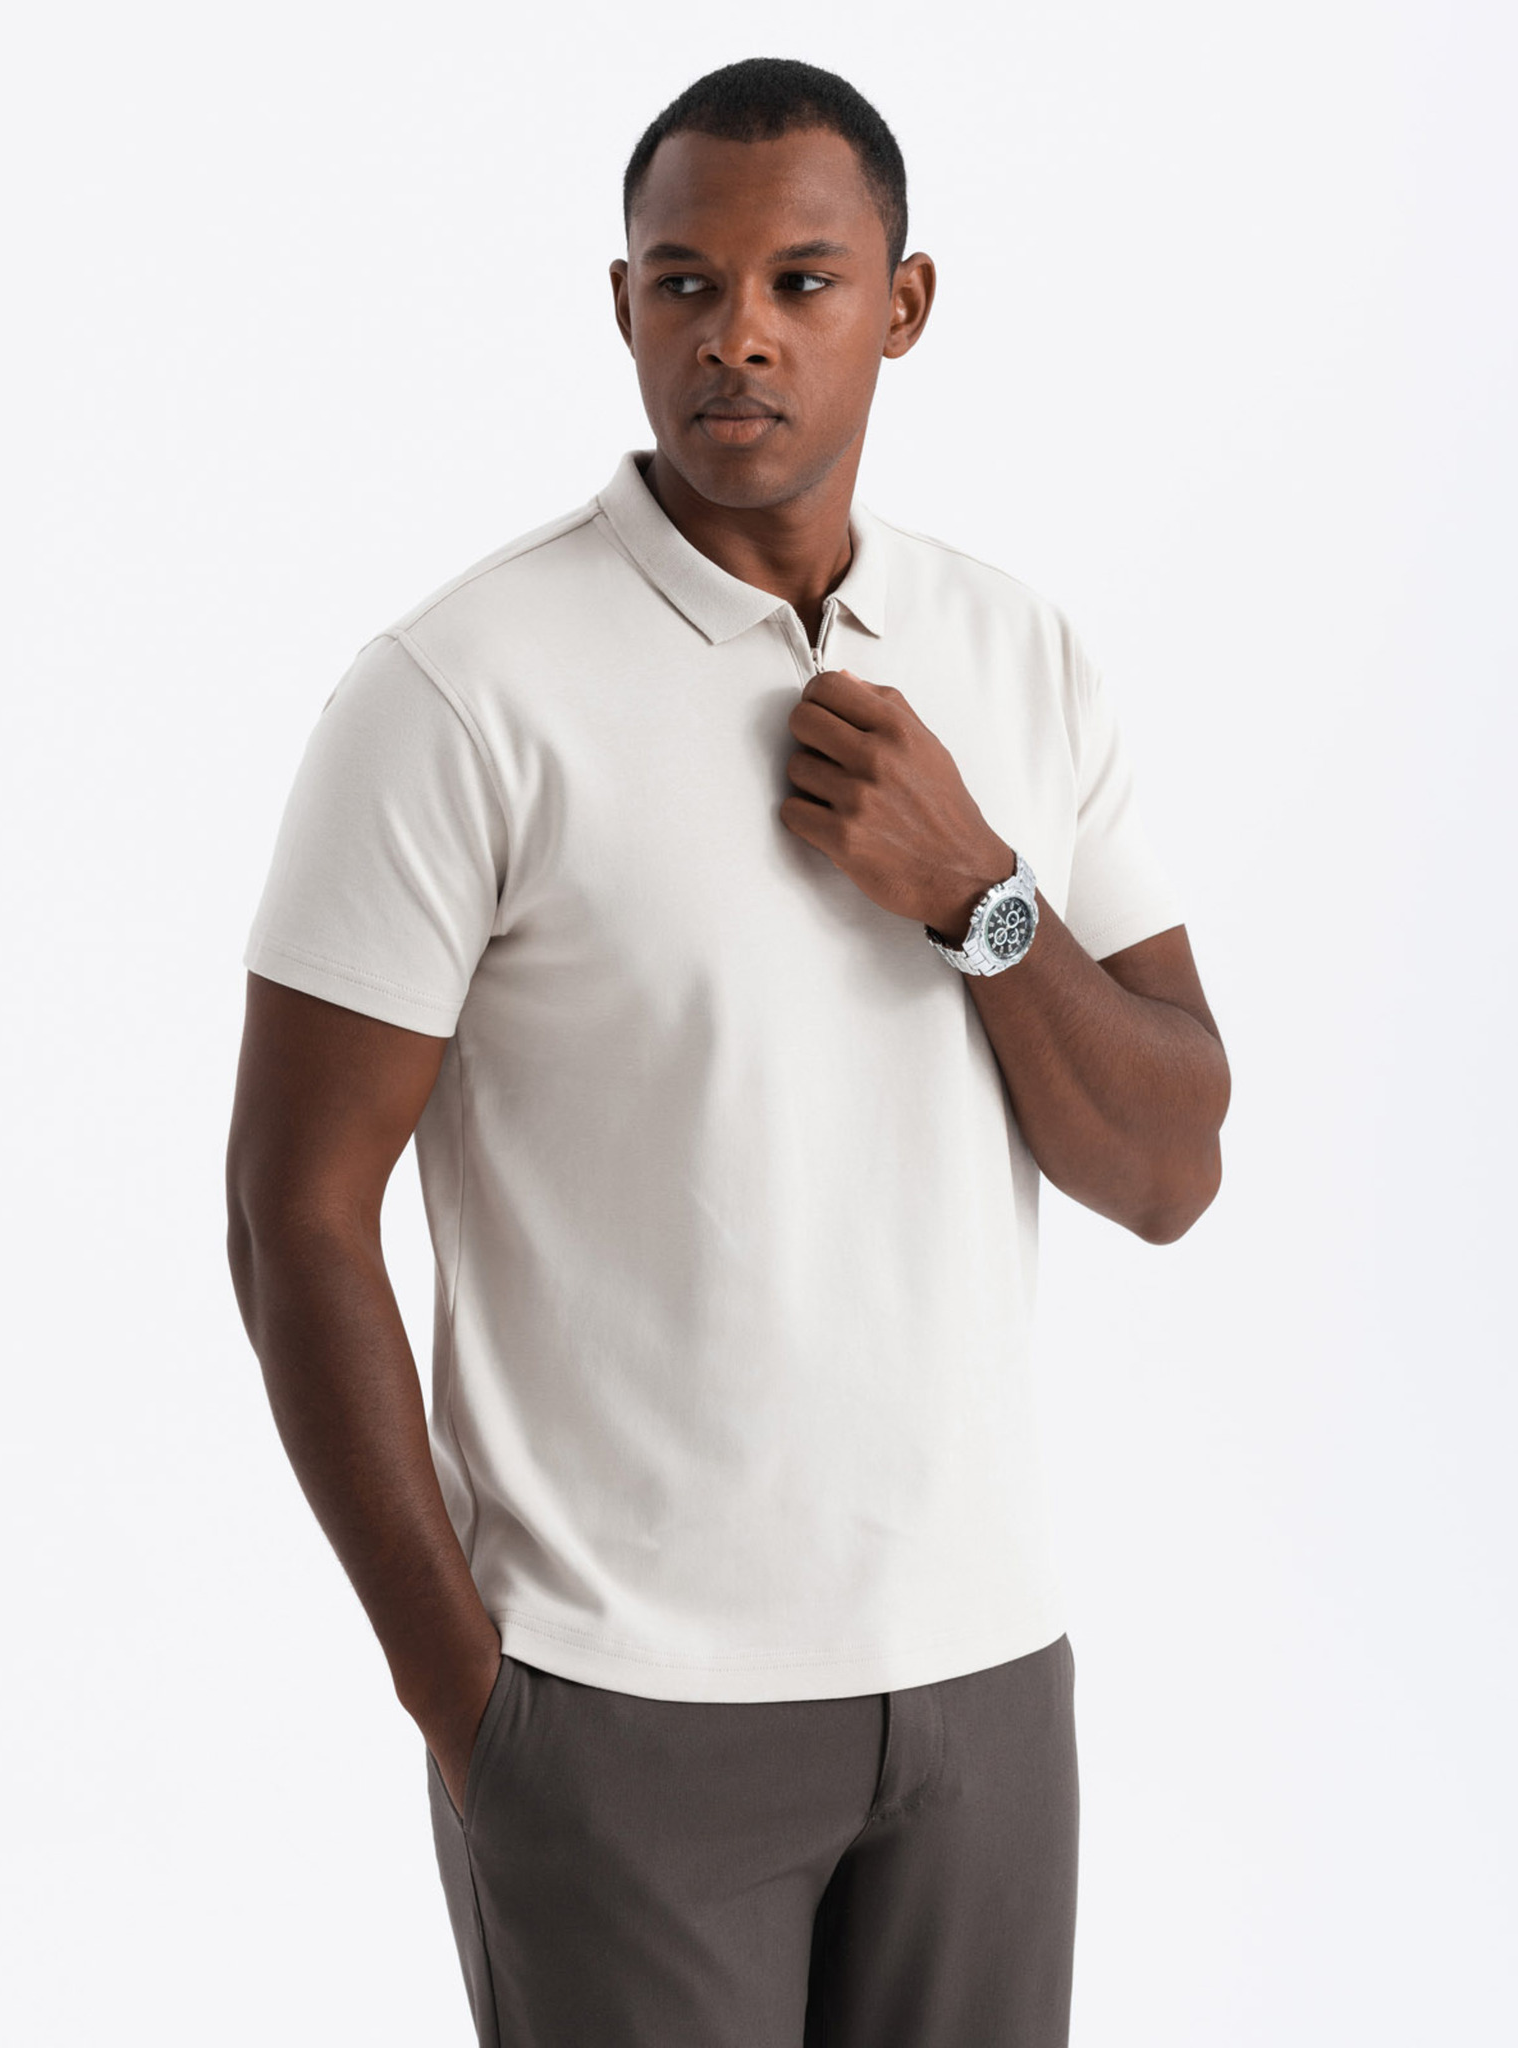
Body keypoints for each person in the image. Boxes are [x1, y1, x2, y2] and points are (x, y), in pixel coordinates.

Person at [226, 54, 1230, 2048]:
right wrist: (468, 1702)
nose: (737, 334)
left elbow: (1169, 1166)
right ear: (623, 306)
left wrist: (981, 892)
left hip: (985, 1689)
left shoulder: (1020, 655)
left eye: (800, 281)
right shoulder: (460, 692)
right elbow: (293, 1214)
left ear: (904, 304)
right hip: (619, 1713)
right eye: (683, 284)